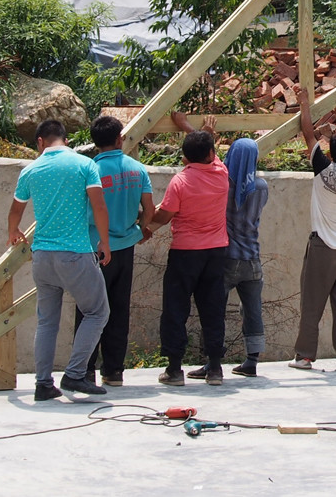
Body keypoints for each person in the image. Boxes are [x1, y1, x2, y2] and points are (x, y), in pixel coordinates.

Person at [6, 119, 112, 402]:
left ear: (40, 142)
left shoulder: (30, 170)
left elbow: (15, 210)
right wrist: (104, 241)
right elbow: (99, 205)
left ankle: (43, 384)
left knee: (47, 322)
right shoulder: (84, 165)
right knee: (97, 312)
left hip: (42, 256)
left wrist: (13, 231)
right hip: (74, 253)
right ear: (66, 140)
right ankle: (75, 374)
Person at [73, 115, 154, 387]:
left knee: (89, 310)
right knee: (119, 309)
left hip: (95, 248)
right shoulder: (137, 169)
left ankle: (84, 370)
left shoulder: (90, 171)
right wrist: (140, 230)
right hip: (126, 247)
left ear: (95, 142)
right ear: (119, 139)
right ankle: (114, 371)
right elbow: (150, 209)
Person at [289, 84, 336, 372]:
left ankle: (305, 356)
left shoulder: (323, 170)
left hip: (322, 249)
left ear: (330, 152)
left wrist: (304, 102)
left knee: (312, 304)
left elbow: (308, 133)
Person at [155, 112, 231, 387]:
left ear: (185, 159)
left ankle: (175, 369)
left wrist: (145, 222)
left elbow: (164, 216)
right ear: (211, 153)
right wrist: (194, 128)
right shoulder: (221, 174)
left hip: (185, 252)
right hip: (216, 251)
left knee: (176, 309)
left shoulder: (180, 181)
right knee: (213, 309)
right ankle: (215, 368)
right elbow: (208, 152)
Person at [187, 137, 270, 379]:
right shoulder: (262, 187)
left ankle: (212, 362)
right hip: (253, 259)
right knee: (253, 311)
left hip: (226, 259)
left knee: (214, 311)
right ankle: (251, 361)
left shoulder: (222, 184)